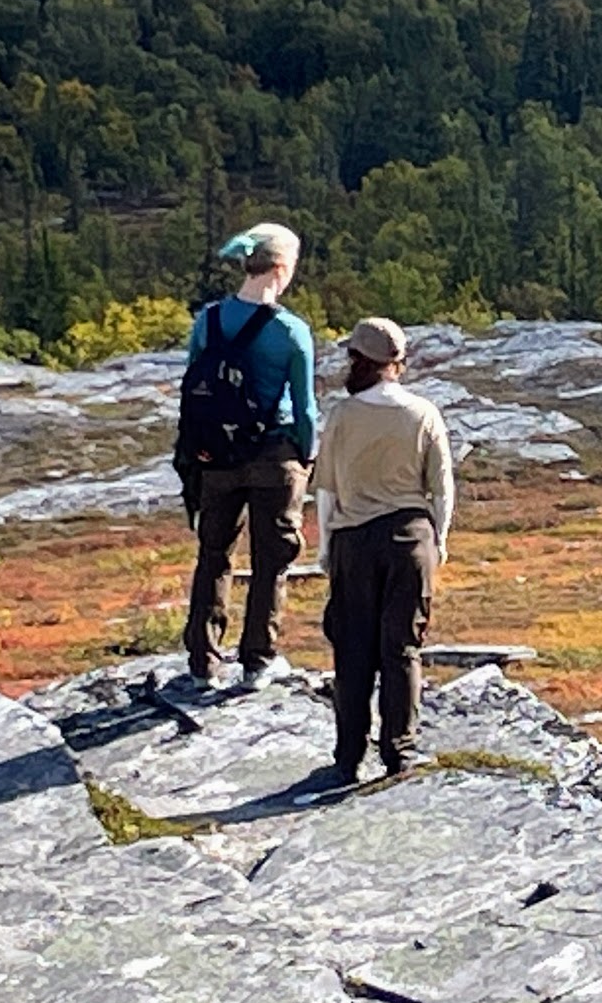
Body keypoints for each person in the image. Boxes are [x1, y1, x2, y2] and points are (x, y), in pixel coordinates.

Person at [310, 314, 454, 783]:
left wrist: (326, 548)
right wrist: (441, 540)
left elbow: (326, 491)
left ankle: (348, 756)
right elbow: (442, 489)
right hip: (410, 540)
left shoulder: (342, 416)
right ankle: (400, 753)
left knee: (352, 652)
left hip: (353, 540)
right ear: (398, 363)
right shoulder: (423, 413)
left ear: (358, 360)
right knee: (403, 649)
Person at [176, 222, 319, 690]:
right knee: (271, 560)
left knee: (213, 554)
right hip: (274, 455)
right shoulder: (291, 331)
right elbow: (305, 408)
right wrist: (306, 456)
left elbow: (195, 384)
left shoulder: (208, 321)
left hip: (213, 454)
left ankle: (203, 661)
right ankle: (257, 660)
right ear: (280, 269)